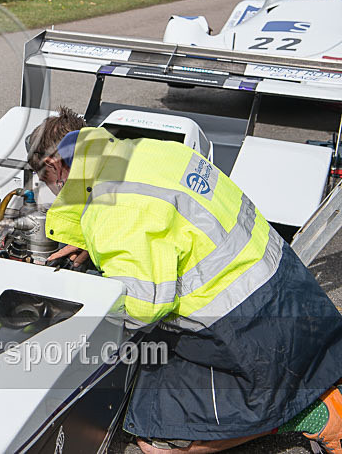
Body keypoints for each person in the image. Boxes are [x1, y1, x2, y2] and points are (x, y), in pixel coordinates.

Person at [26, 107, 342, 453]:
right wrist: (89, 237)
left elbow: (143, 309)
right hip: (295, 297)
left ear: (55, 166)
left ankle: (313, 414)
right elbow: (166, 223)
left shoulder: (112, 209)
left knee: (155, 439)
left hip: (256, 336)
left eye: (46, 182)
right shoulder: (150, 151)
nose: (50, 192)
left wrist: (77, 305)